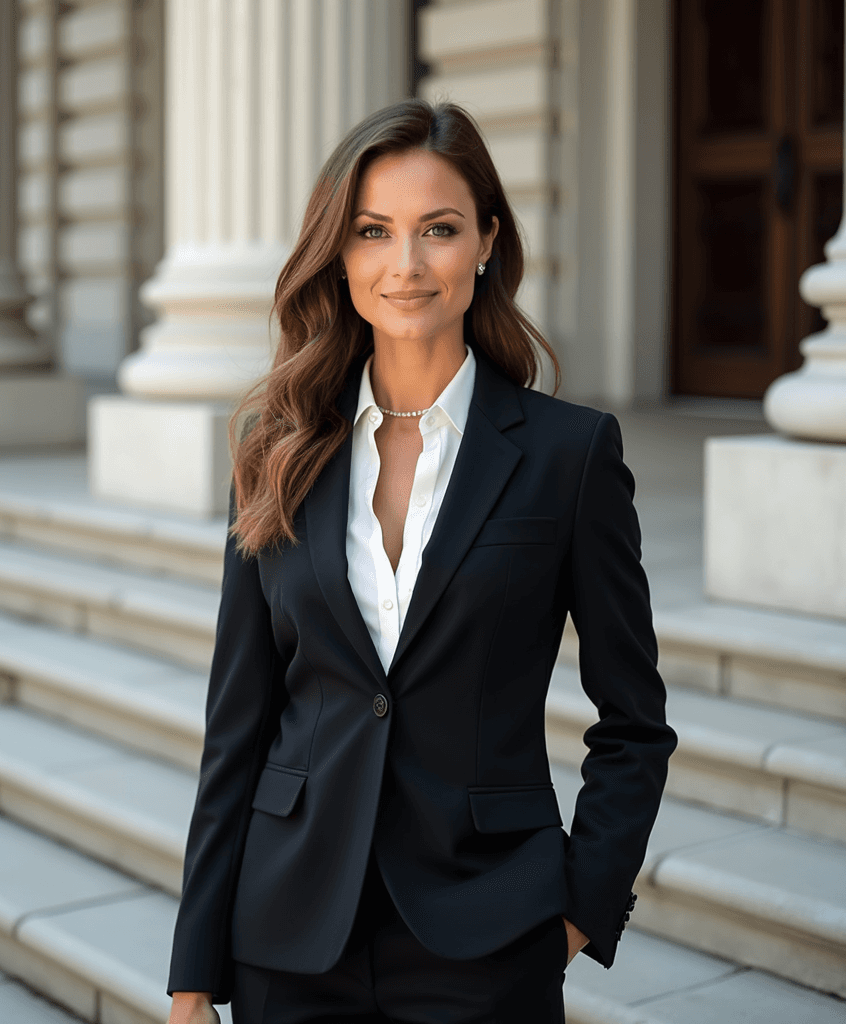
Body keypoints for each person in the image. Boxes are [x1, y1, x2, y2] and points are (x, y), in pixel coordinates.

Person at [166, 99, 677, 1024]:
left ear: (485, 241)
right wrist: (194, 971)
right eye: (373, 232)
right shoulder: (275, 450)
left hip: (489, 938)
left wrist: (575, 910)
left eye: (437, 229)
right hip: (288, 935)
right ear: (342, 253)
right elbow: (237, 726)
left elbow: (635, 720)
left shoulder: (572, 456)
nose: (405, 265)